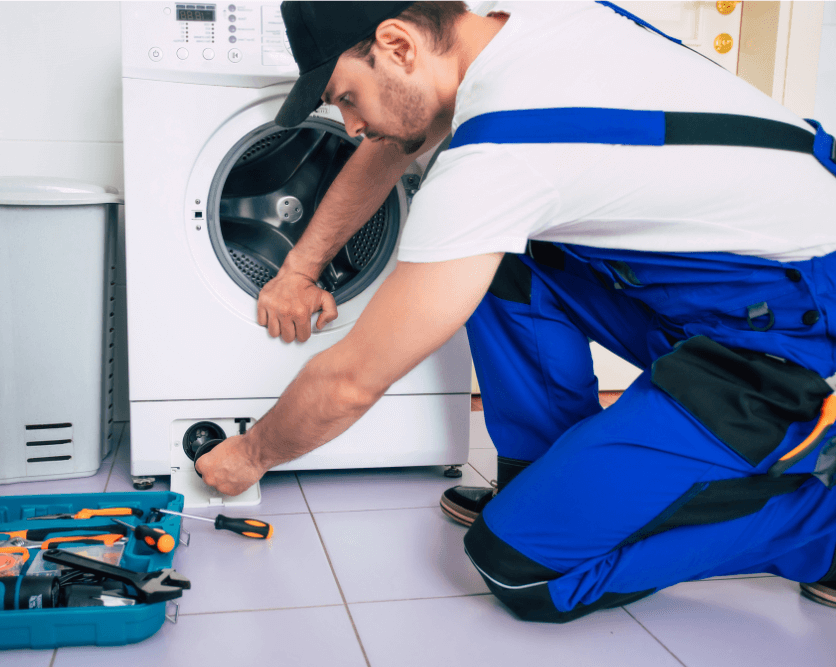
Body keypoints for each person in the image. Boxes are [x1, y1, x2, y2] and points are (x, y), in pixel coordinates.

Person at [195, 1, 836, 621]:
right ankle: (543, 477)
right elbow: (395, 142)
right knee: (496, 258)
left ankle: (820, 529)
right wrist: (300, 269)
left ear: (397, 45)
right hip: (726, 287)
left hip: (789, 337)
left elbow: (352, 382)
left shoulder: (502, 152)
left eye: (345, 98)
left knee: (518, 566)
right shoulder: (514, 25)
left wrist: (251, 454)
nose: (351, 126)